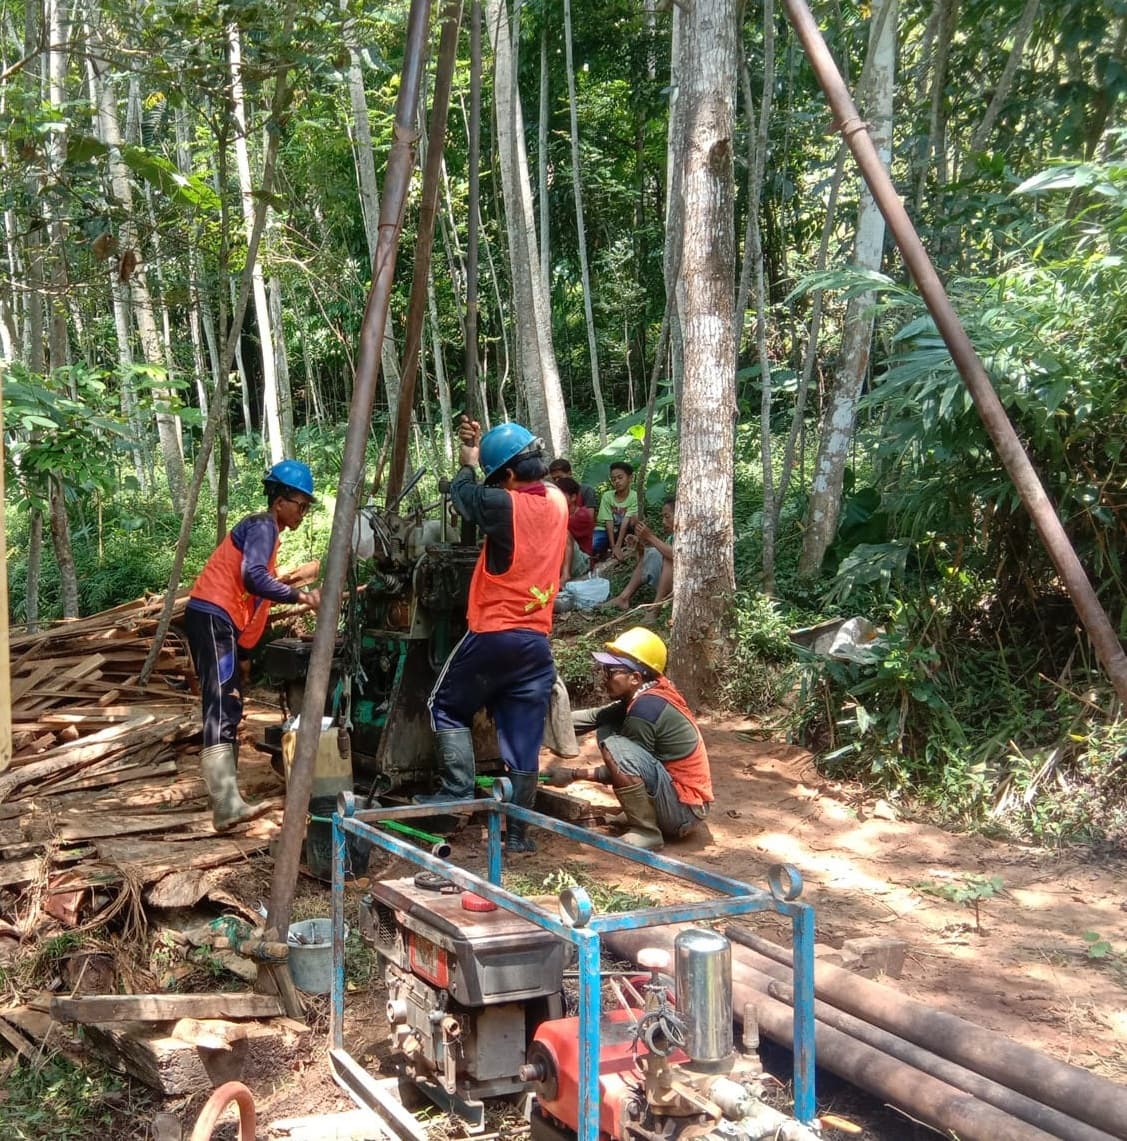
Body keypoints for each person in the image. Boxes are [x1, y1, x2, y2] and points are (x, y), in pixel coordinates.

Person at [418, 419, 569, 854]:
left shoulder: (508, 506)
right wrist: (481, 444)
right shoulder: (557, 500)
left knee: (444, 704)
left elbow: (466, 498)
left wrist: (467, 462)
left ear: (506, 477)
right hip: (536, 643)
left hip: (495, 633)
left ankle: (457, 791)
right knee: (522, 740)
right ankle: (518, 835)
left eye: (496, 477)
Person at [184, 460, 322, 830]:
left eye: (307, 506)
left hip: (221, 620)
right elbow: (254, 580)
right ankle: (225, 803)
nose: (303, 512)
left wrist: (244, 652)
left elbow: (256, 602)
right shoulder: (262, 525)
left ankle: (229, 800)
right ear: (279, 500)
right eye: (300, 504)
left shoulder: (268, 533)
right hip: (214, 614)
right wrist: (301, 596)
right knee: (220, 702)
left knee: (228, 702)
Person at [569, 627, 712, 850]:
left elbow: (625, 767)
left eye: (611, 671)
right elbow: (593, 717)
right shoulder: (645, 694)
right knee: (608, 728)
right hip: (683, 803)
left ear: (635, 677)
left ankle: (647, 831)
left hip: (684, 812)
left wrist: (574, 774)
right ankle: (643, 818)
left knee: (614, 743)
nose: (605, 678)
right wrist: (539, 721)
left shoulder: (645, 709)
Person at [609, 496, 675, 609]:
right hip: (668, 584)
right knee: (653, 553)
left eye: (667, 517)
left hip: (682, 585)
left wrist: (650, 537)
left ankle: (655, 609)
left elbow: (675, 555)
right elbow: (644, 563)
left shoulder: (689, 538)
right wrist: (639, 545)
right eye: (663, 517)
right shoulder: (670, 539)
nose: (663, 522)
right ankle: (623, 598)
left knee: (668, 558)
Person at [594, 460, 638, 562]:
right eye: (613, 479)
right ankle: (605, 551)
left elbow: (626, 520)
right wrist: (614, 546)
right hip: (606, 529)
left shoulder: (634, 496)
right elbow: (608, 521)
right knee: (594, 545)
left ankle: (625, 546)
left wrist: (617, 545)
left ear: (630, 478)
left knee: (635, 518)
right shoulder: (607, 496)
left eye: (620, 477)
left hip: (625, 528)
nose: (617, 481)